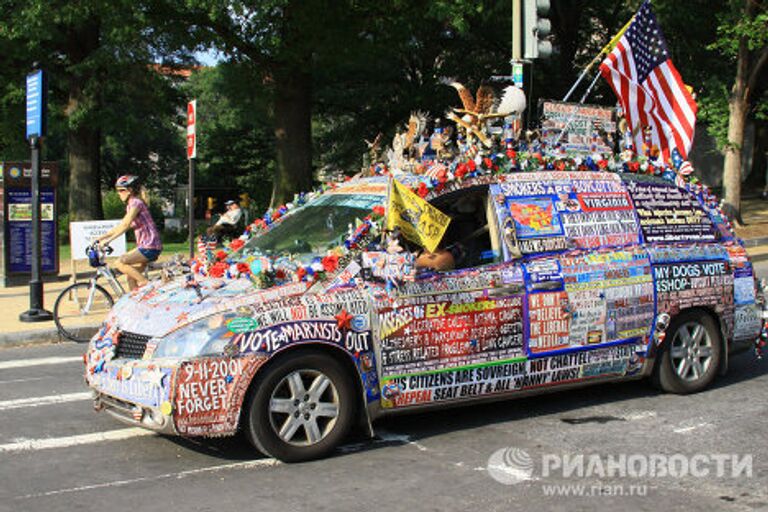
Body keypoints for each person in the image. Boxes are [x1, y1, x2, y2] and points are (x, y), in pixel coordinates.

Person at [96, 175, 162, 291]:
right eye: (118, 190)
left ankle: (145, 283)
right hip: (147, 246)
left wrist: (107, 241)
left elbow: (125, 225)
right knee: (131, 277)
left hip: (149, 246)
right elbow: (122, 226)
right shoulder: (132, 204)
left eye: (121, 190)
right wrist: (101, 238)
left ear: (130, 190)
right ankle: (136, 305)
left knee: (120, 262)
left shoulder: (136, 203)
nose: (119, 193)